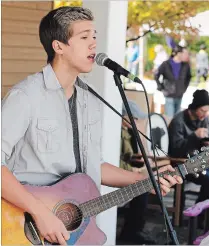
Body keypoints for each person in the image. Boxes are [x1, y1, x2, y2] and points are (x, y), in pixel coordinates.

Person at [1, 6, 182, 246]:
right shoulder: (26, 96)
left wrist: (143, 180)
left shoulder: (89, 100)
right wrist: (40, 212)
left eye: (94, 36)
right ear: (59, 47)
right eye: (84, 37)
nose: (93, 44)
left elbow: (93, 167)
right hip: (23, 227)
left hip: (74, 232)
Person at [168, 89, 209, 226]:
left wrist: (206, 142)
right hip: (180, 161)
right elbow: (175, 148)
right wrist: (194, 136)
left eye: (207, 111)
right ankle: (197, 215)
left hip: (196, 159)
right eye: (202, 111)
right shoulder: (179, 121)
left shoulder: (203, 119)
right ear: (194, 108)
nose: (205, 114)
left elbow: (204, 141)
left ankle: (200, 214)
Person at [117, 100, 157, 245]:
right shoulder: (116, 131)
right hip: (119, 173)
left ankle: (135, 228)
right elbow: (114, 158)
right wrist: (131, 169)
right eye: (133, 118)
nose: (135, 121)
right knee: (142, 189)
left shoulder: (128, 131)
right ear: (123, 116)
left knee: (146, 184)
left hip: (126, 169)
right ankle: (131, 231)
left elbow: (132, 155)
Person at [155, 45, 192, 118]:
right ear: (177, 53)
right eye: (183, 53)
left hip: (179, 93)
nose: (185, 55)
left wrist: (184, 88)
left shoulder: (185, 65)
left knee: (177, 117)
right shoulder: (166, 64)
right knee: (169, 116)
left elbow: (189, 77)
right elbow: (156, 75)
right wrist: (161, 87)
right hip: (169, 93)